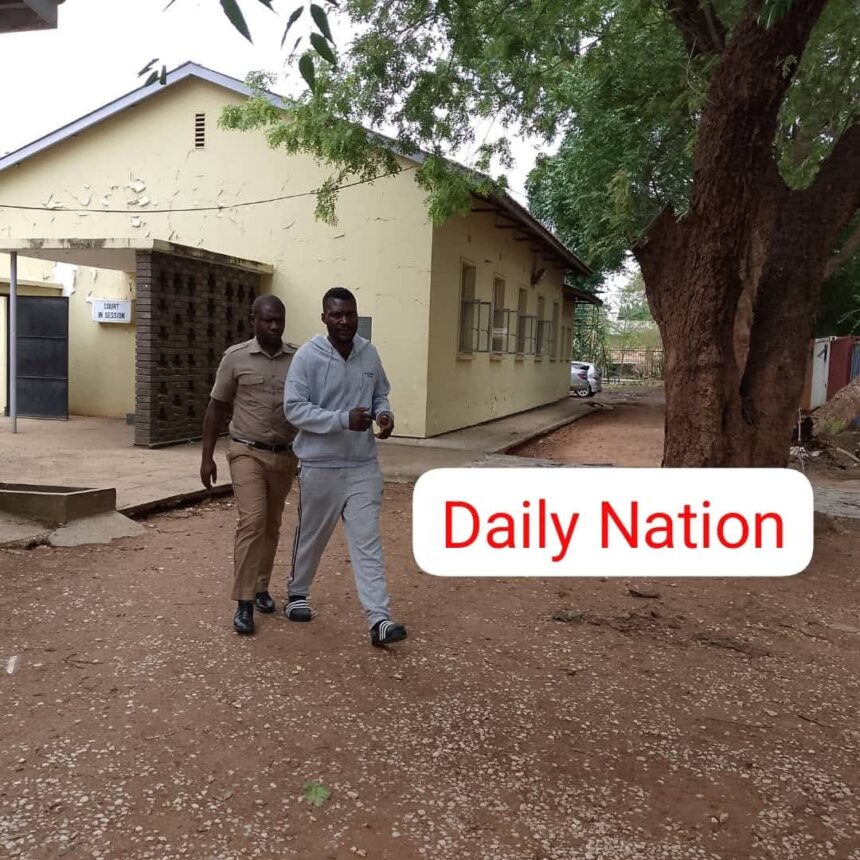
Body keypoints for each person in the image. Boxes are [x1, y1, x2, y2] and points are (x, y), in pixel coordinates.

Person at [283, 287, 407, 647]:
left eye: (349, 314)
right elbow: (293, 408)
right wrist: (341, 419)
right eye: (336, 314)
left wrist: (384, 415)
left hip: (362, 465)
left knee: (368, 542)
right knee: (312, 535)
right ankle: (297, 594)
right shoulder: (307, 357)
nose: (344, 321)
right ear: (324, 318)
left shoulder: (369, 354)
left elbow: (380, 394)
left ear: (357, 316)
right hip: (319, 464)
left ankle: (379, 618)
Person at [200, 295, 298, 635]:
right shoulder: (236, 358)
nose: (274, 326)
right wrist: (206, 457)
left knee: (271, 524)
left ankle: (260, 587)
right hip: (246, 451)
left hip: (284, 455)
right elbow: (216, 407)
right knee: (253, 520)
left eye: (279, 320)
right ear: (252, 320)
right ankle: (244, 601)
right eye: (267, 319)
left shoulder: (298, 360)